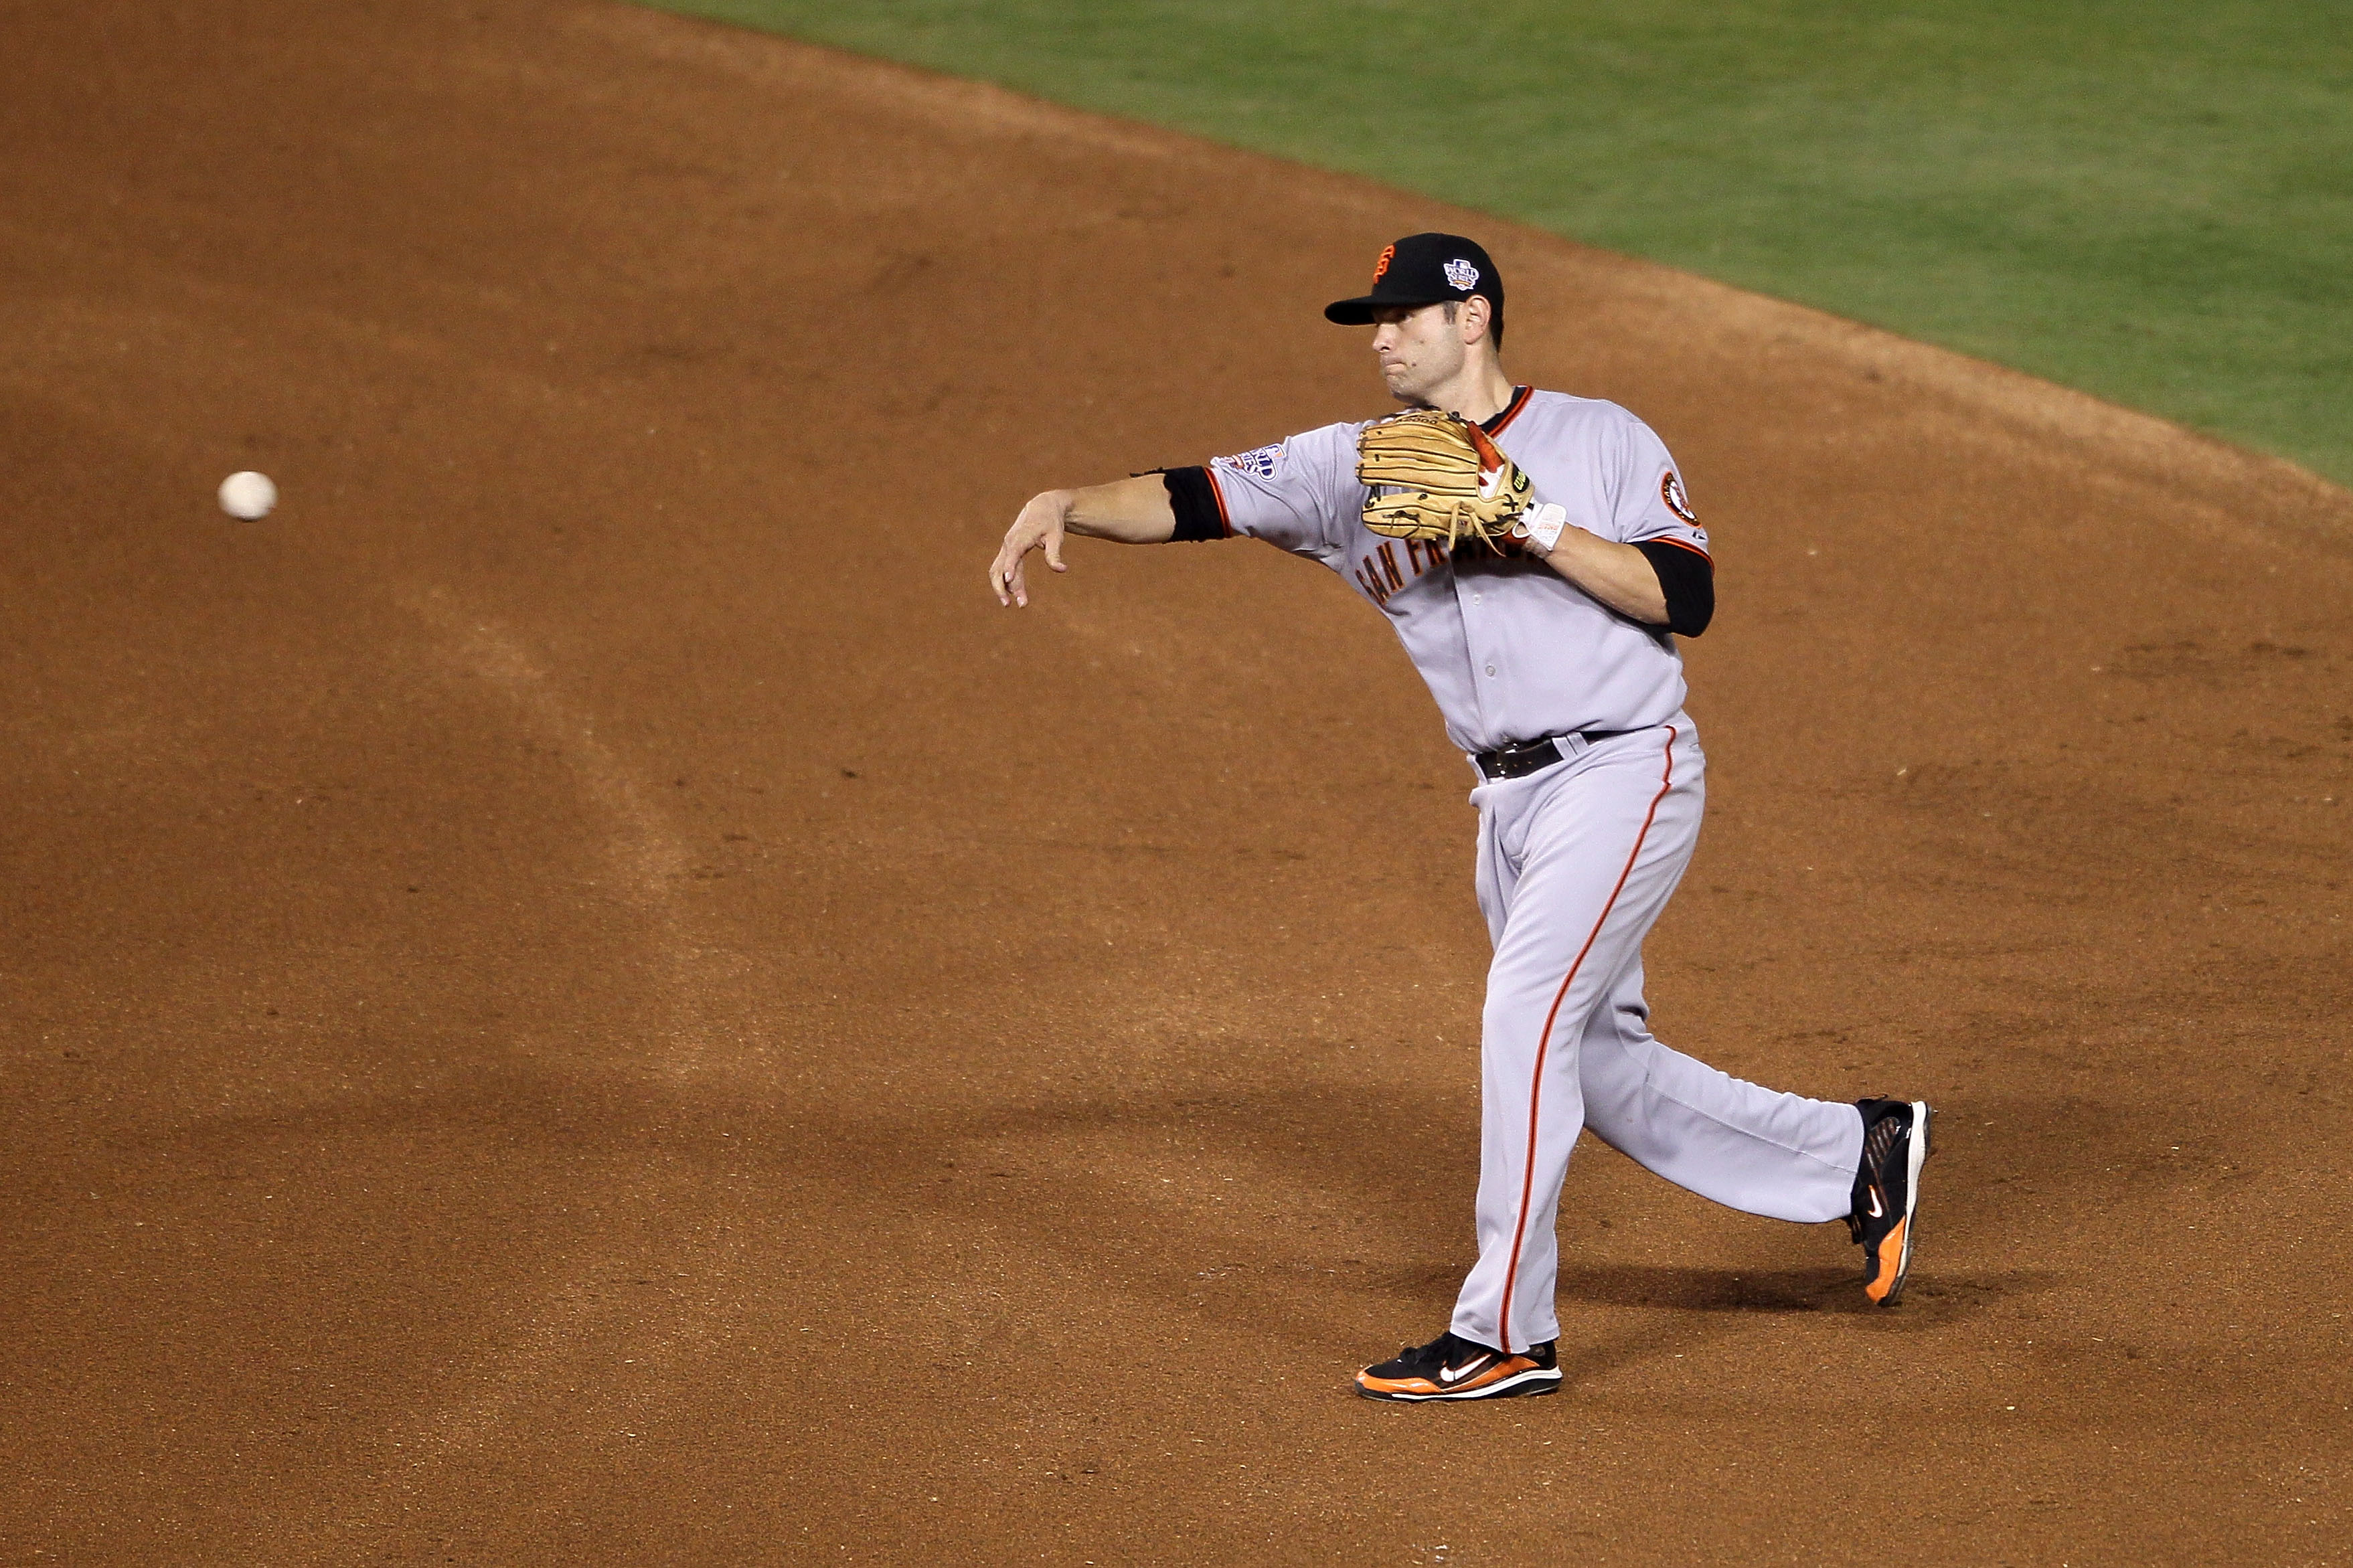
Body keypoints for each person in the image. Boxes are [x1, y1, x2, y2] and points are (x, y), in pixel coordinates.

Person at [988, 232, 1932, 1403]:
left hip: (1624, 772)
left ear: (1472, 317)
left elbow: (1682, 596)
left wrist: (1525, 519)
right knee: (1597, 1066)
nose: (1378, 337)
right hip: (1507, 805)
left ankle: (1505, 1332)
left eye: (1400, 317)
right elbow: (1198, 496)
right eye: (1370, 320)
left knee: (1523, 1013)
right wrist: (1070, 503)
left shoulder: (1601, 437)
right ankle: (1857, 1154)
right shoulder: (1353, 468)